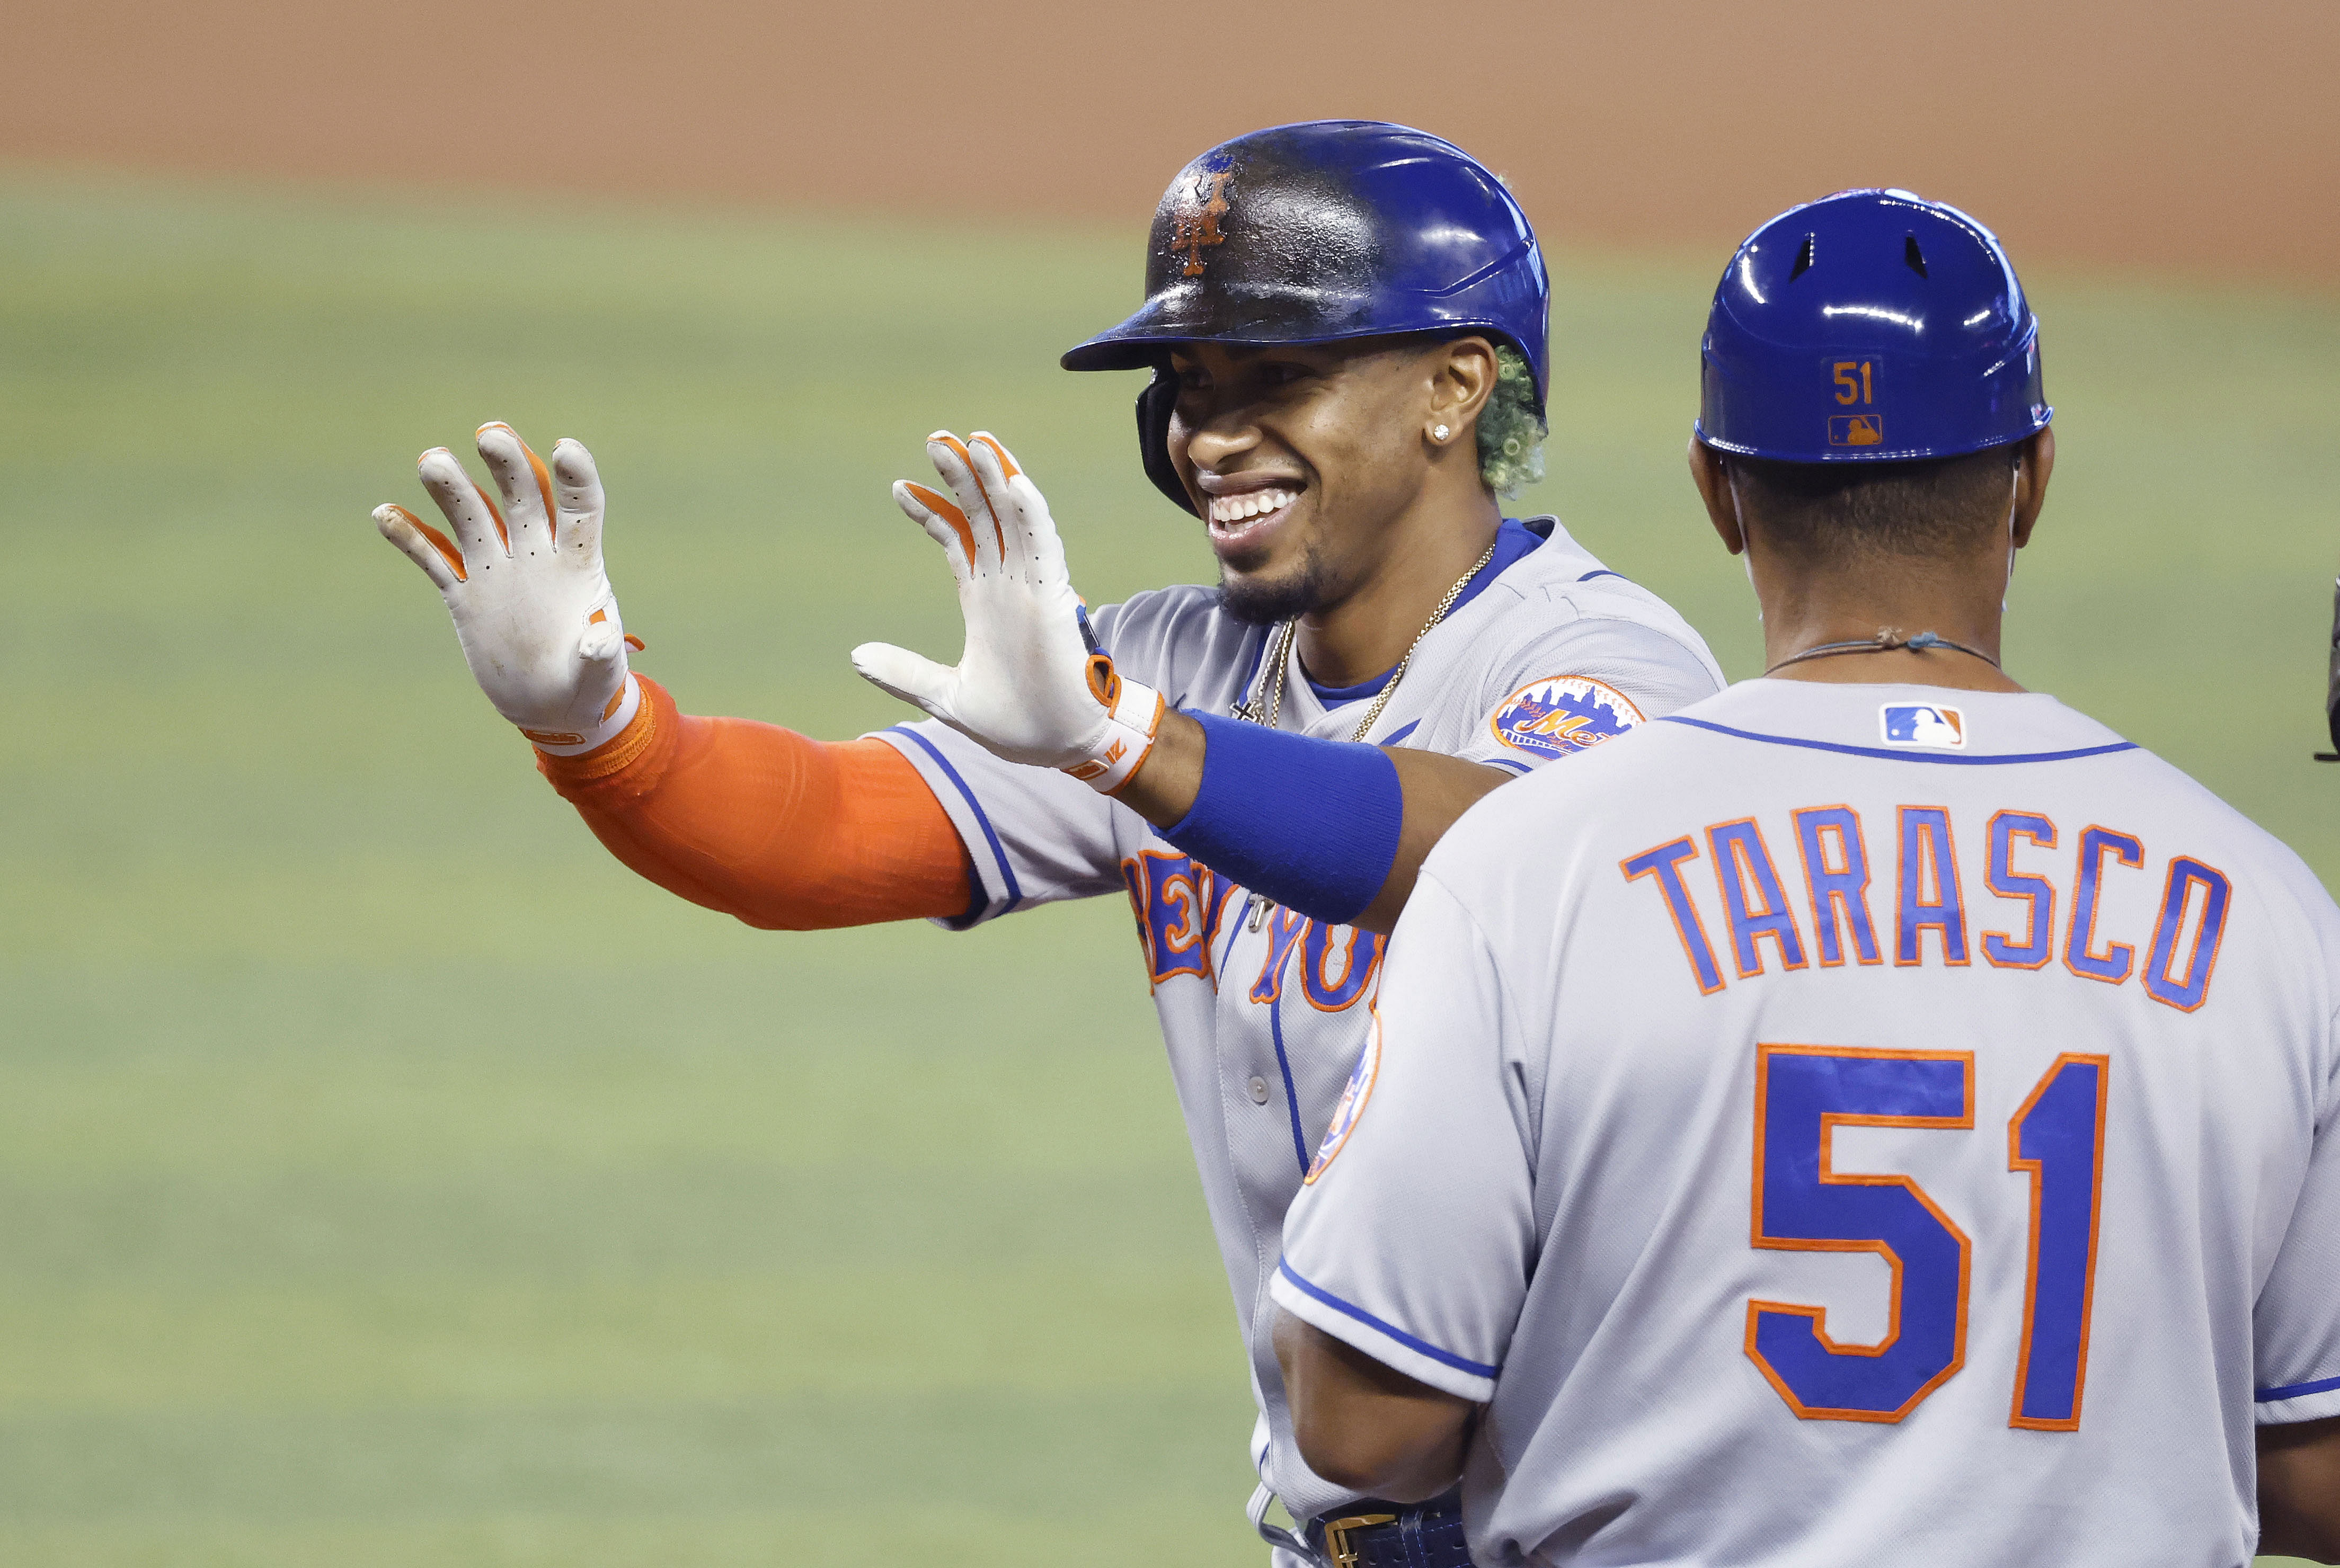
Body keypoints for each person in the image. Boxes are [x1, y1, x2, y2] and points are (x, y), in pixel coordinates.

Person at [368, 121, 1723, 1562]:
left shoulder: (1599, 660)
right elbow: (822, 836)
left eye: (1277, 379)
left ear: (1458, 384)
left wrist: (1125, 744)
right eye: (1190, 389)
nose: (1207, 437)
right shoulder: (1168, 667)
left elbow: (1510, 844)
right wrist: (601, 732)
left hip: (1601, 1532)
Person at [1273, 188, 2340, 1567]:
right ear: (2034, 473)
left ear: (1718, 490)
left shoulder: (1537, 866)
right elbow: (2317, 1473)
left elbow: (1362, 1430)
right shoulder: (2263, 909)